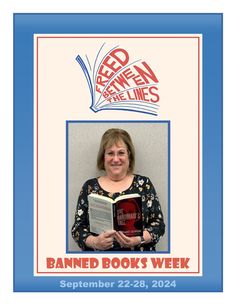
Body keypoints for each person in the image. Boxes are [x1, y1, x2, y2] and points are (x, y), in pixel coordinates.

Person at [71, 128, 165, 251]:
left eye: (121, 153)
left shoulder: (144, 185)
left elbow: (158, 225)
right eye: (110, 153)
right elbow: (77, 229)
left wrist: (138, 240)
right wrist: (95, 242)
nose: (116, 159)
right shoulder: (89, 187)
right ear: (103, 157)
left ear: (129, 155)